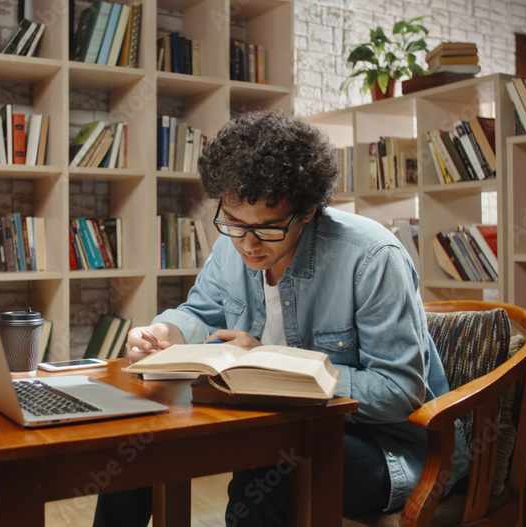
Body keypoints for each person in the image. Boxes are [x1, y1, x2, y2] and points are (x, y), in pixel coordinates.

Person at [92, 111, 468, 526]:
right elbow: (199, 312)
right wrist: (165, 331)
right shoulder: (229, 246)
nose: (247, 244)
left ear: (308, 211)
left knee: (268, 470)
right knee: (138, 443)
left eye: (268, 228)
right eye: (233, 222)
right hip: (282, 427)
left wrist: (273, 361)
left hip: (391, 447)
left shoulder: (373, 257)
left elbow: (399, 391)